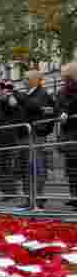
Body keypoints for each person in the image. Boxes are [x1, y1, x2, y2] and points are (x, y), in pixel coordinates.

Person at [15, 70, 56, 208]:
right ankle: (29, 198)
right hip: (24, 135)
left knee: (36, 167)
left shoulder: (42, 94)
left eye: (26, 78)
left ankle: (37, 197)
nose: (23, 81)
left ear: (35, 80)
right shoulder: (27, 95)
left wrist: (42, 130)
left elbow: (38, 108)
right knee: (27, 168)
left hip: (35, 135)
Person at [57, 63, 77, 207]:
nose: (65, 81)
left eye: (68, 78)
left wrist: (67, 111)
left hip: (74, 130)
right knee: (71, 166)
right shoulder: (62, 92)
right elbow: (58, 106)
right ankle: (74, 195)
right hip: (68, 132)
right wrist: (62, 112)